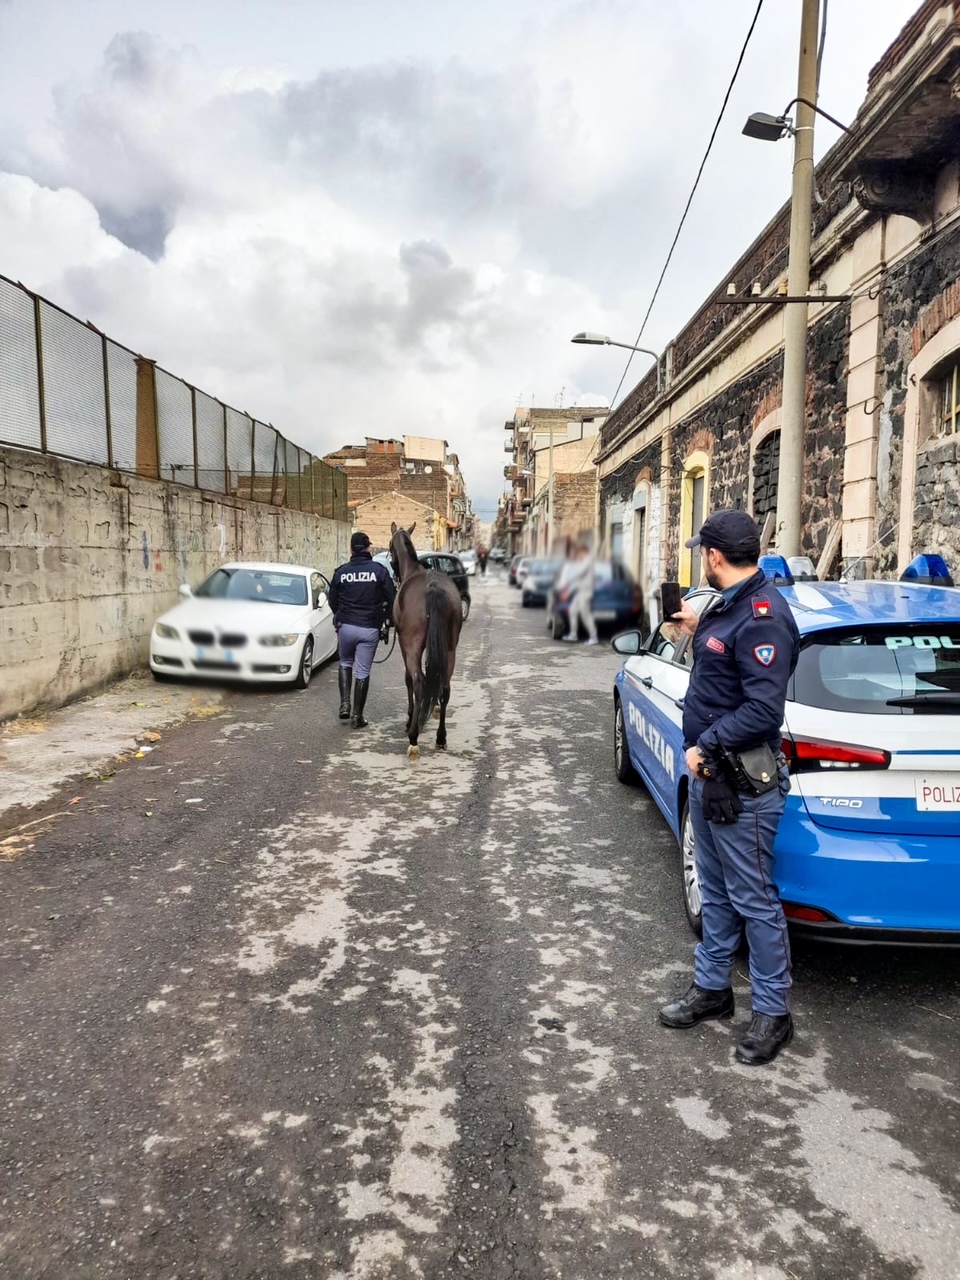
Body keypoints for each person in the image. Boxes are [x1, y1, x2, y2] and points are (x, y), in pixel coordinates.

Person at [659, 510, 800, 1066]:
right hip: (711, 775)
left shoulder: (764, 615)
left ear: (714, 556)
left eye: (703, 551)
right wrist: (697, 629)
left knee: (755, 899)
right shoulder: (728, 604)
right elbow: (727, 665)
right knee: (714, 891)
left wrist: (706, 744)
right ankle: (713, 989)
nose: (701, 557)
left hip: (742, 779)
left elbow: (764, 708)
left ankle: (772, 1013)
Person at [328, 531, 396, 728]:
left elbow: (332, 600)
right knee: (363, 670)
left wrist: (340, 615)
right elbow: (391, 599)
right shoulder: (379, 571)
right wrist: (384, 620)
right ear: (368, 548)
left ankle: (344, 705)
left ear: (351, 549)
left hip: (346, 627)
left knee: (346, 662)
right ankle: (357, 717)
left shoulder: (341, 572)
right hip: (369, 628)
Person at [559, 542, 598, 645]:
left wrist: (567, 578)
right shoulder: (583, 561)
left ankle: (593, 637)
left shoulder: (588, 561)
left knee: (585, 615)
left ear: (583, 552)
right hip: (580, 591)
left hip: (585, 592)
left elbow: (579, 573)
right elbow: (578, 579)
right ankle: (573, 634)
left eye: (579, 553)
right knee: (572, 610)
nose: (578, 555)